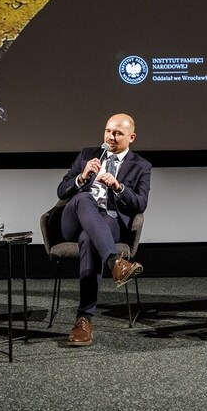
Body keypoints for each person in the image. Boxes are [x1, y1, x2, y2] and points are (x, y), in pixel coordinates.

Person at [56, 113, 151, 346]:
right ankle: (115, 262)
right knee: (84, 198)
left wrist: (118, 187)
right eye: (108, 131)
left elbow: (140, 204)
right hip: (73, 219)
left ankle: (84, 319)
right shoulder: (87, 155)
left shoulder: (141, 166)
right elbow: (61, 191)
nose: (111, 137)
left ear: (132, 137)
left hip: (109, 221)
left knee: (90, 238)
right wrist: (82, 176)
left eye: (118, 133)